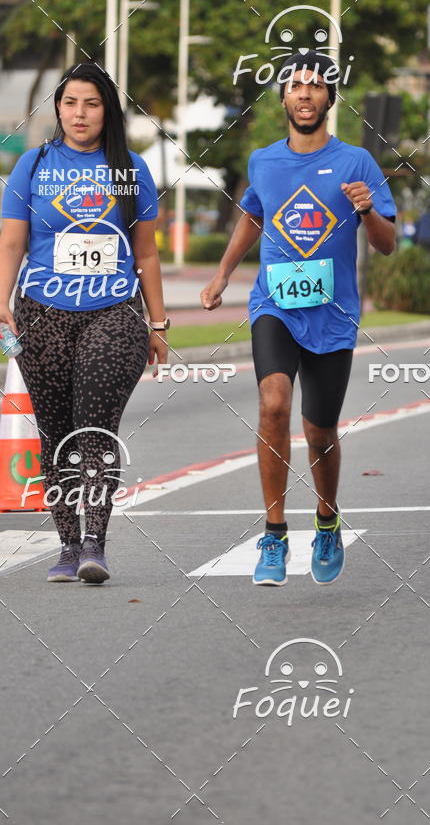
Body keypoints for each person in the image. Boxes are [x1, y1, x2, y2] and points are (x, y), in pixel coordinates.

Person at [201, 51, 396, 587]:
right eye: (296, 86)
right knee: (273, 403)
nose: (305, 94)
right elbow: (253, 215)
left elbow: (386, 244)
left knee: (320, 430)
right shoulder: (264, 160)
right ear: (284, 97)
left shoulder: (358, 162)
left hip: (332, 316)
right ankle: (274, 533)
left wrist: (367, 211)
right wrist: (222, 275)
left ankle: (328, 519)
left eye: (315, 86)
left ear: (330, 99)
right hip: (275, 305)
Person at [0, 63, 169, 584]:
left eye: (92, 104)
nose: (80, 114)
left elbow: (145, 252)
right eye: (71, 103)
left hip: (114, 312)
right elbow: (11, 241)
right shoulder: (33, 166)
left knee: (94, 425)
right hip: (42, 312)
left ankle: (95, 542)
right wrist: (1, 302)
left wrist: (157, 323)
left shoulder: (130, 168)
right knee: (54, 435)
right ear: (58, 108)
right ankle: (67, 546)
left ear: (107, 112)